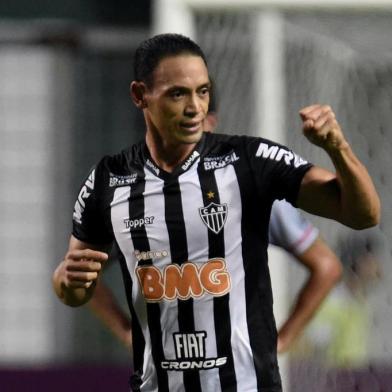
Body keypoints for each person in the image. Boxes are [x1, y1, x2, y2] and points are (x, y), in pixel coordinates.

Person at [52, 33, 380, 392]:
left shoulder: (250, 162)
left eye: (203, 91)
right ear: (139, 95)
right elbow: (73, 282)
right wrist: (71, 285)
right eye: (178, 93)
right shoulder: (109, 179)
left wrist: (338, 148)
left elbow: (362, 214)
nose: (195, 107)